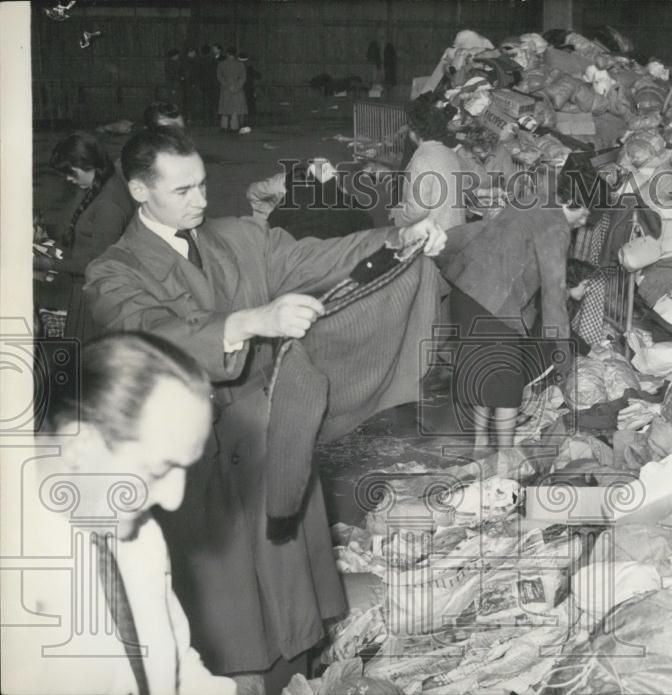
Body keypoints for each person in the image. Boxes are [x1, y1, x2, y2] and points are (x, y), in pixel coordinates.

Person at [83, 126, 446, 694]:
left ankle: (298, 672)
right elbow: (148, 334)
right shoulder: (112, 272)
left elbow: (319, 254)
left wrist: (401, 237)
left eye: (203, 184)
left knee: (289, 594)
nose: (202, 200)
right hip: (195, 459)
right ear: (137, 190)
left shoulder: (238, 239)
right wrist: (251, 322)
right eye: (183, 191)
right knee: (229, 620)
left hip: (269, 434)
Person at [1, 332, 236, 695]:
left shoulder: (138, 533)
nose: (174, 500)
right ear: (79, 446)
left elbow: (175, 665)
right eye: (158, 471)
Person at [439, 173, 590, 450]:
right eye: (583, 216)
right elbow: (554, 296)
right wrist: (563, 354)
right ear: (573, 202)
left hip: (466, 293)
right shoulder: (555, 227)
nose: (583, 223)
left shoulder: (530, 201)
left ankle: (480, 445)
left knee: (483, 374)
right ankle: (505, 457)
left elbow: (482, 230)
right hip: (494, 304)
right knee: (507, 386)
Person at [38, 132, 135, 340]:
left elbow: (97, 264)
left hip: (96, 295)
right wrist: (49, 242)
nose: (68, 179)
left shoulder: (109, 204)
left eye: (71, 172)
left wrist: (46, 262)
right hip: (85, 287)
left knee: (89, 356)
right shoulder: (96, 184)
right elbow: (82, 236)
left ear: (87, 164)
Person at [391, 94, 466, 232]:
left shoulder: (422, 161)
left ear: (414, 132)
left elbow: (418, 209)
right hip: (455, 228)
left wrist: (398, 216)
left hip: (433, 234)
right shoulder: (450, 153)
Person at [216, 47, 247, 134]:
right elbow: (243, 78)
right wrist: (236, 86)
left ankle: (224, 126)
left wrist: (226, 85)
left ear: (227, 54)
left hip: (225, 89)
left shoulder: (221, 64)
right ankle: (234, 127)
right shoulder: (240, 64)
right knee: (235, 108)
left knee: (225, 108)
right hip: (237, 89)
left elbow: (219, 77)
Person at [238, 52, 261, 130]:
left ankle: (240, 122)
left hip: (240, 89)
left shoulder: (237, 67)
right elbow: (258, 75)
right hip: (249, 89)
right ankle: (250, 122)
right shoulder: (249, 67)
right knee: (250, 106)